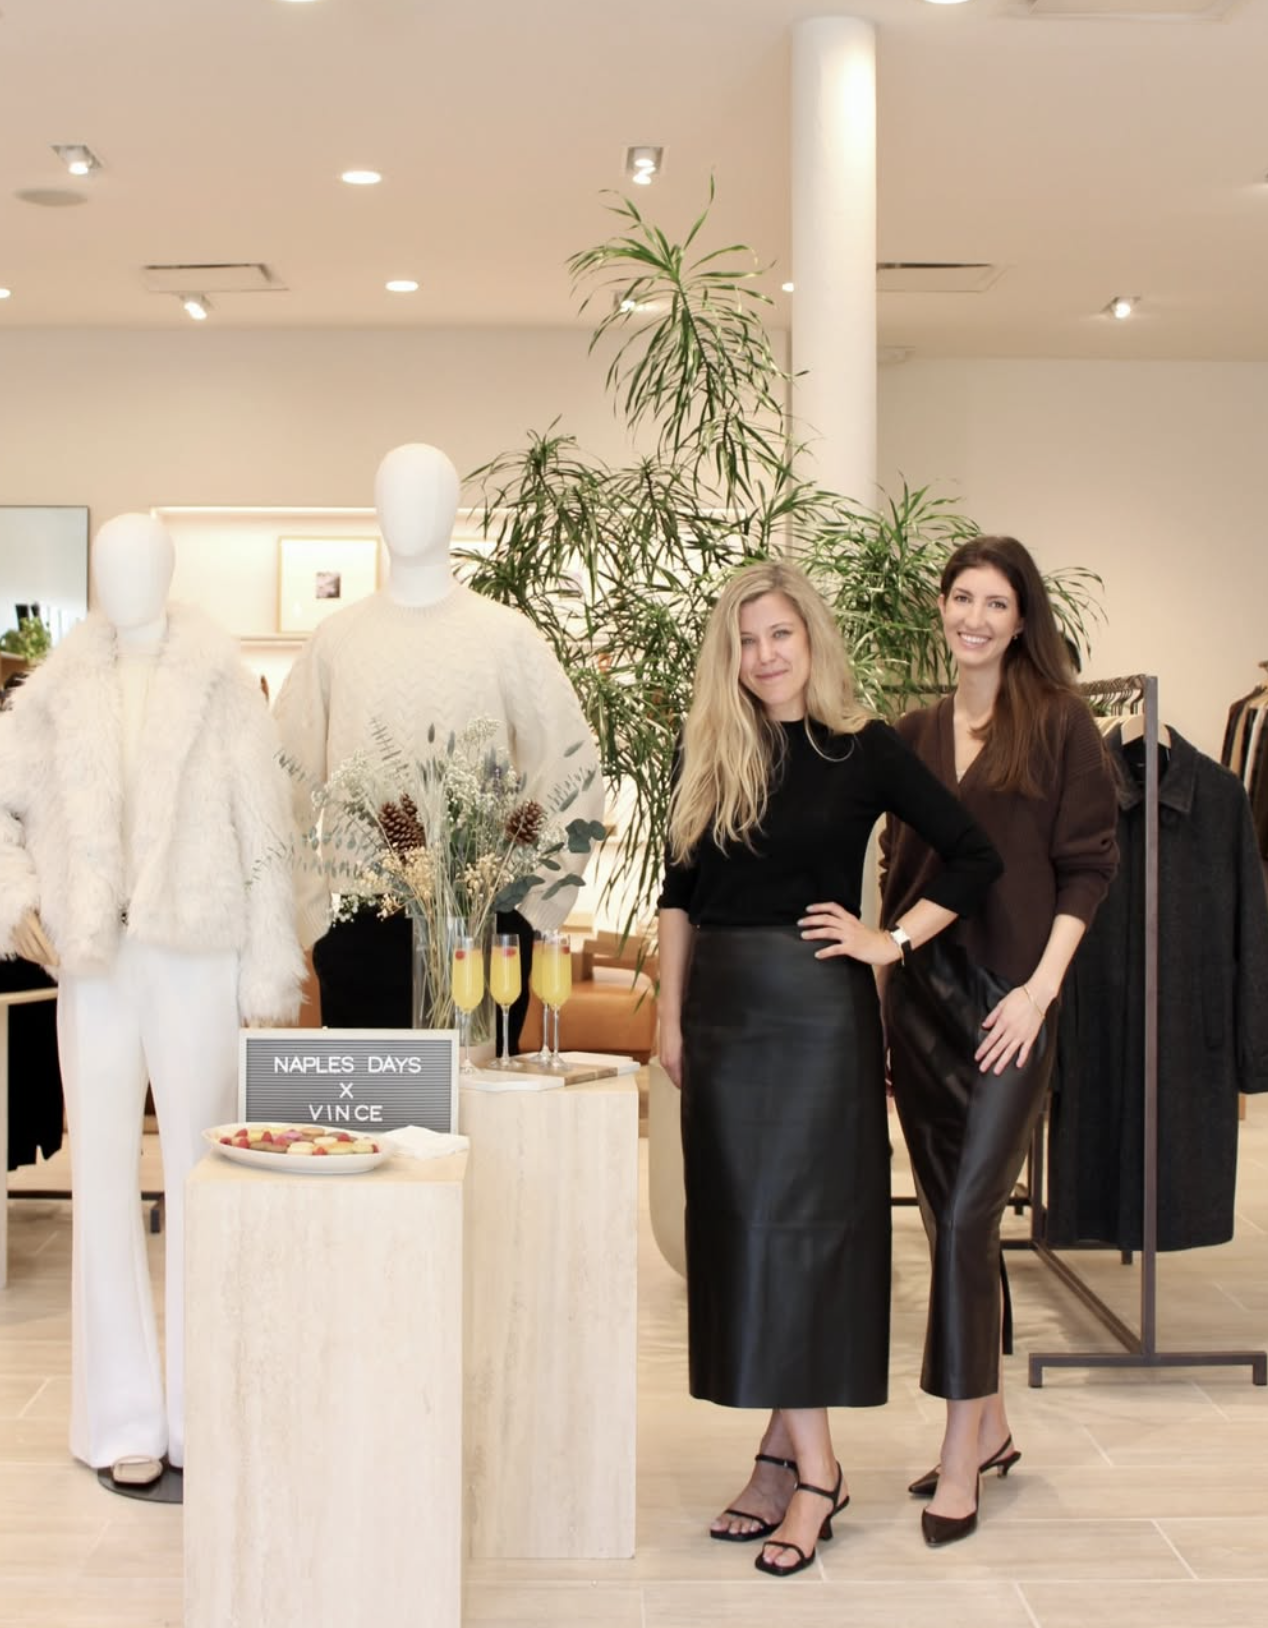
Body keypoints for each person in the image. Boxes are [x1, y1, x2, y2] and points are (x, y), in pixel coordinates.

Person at [657, 559, 1001, 1579]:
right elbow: (677, 892)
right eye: (746, 639)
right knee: (742, 1233)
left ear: (810, 638)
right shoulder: (708, 746)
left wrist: (890, 936)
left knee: (796, 1237)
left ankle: (815, 1470)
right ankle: (777, 1453)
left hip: (815, 1016)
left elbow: (972, 853)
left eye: (779, 635)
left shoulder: (863, 748)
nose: (763, 655)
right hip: (720, 1012)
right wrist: (668, 1018)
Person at [0, 513, 303, 1496]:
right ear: (96, 574)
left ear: (168, 572)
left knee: (202, 1178)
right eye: (114, 563)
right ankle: (122, 1412)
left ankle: (204, 1406)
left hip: (194, 953)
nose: (130, 576)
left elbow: (265, 832)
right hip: (93, 958)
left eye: (147, 561)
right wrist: (20, 904)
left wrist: (269, 967)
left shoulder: (220, 687)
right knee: (100, 1184)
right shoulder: (48, 696)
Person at [880, 535, 1119, 1547]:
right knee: (948, 1225)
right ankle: (995, 1426)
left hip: (1010, 1001)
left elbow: (1086, 866)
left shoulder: (1059, 722)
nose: (974, 615)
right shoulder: (912, 728)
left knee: (973, 1216)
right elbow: (897, 865)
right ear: (940, 609)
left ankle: (953, 1454)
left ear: (1021, 619)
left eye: (995, 601)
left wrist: (1037, 992)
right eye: (960, 596)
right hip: (920, 1000)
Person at [273, 442, 604, 1048]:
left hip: (479, 922)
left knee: (480, 1121)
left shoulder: (505, 637)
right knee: (369, 1122)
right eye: (394, 496)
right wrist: (314, 913)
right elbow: (280, 776)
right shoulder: (336, 641)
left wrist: (531, 905)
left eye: (427, 496)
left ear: (454, 508)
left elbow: (573, 762)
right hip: (361, 924)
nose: (410, 512)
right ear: (374, 508)